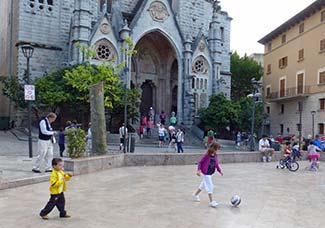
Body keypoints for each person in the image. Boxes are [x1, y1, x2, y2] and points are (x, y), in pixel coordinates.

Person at [193, 142, 223, 208]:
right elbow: (200, 162)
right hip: (206, 173)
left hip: (210, 172)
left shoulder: (215, 155)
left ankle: (195, 195)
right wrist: (198, 170)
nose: (218, 151)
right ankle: (211, 201)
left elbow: (216, 164)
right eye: (217, 149)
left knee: (203, 185)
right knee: (210, 186)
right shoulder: (207, 155)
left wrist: (220, 171)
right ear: (214, 148)